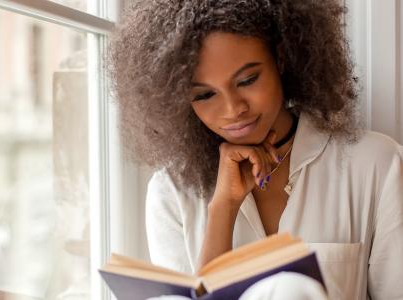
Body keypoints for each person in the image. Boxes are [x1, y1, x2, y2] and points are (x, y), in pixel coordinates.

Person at [105, 0, 403, 299]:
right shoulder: (171, 191)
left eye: (247, 80)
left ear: (281, 58)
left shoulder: (375, 164)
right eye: (205, 94)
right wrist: (223, 208)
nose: (234, 110)